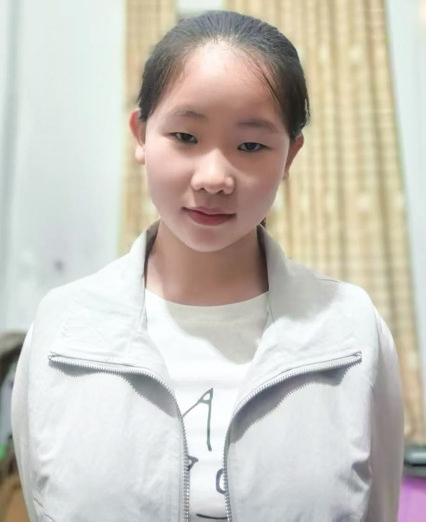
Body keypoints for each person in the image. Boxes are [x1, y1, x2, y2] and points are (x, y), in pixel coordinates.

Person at [11, 10, 404, 522]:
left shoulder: (350, 330)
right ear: (141, 135)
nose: (214, 177)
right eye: (186, 137)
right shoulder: (64, 329)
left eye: (251, 145)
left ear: (289, 157)